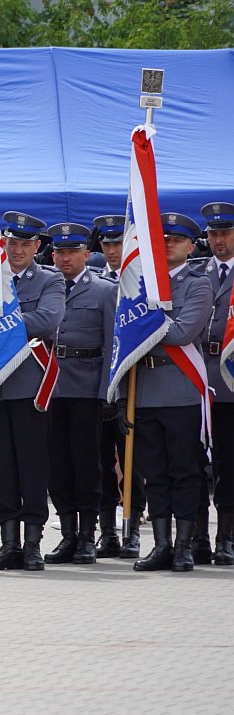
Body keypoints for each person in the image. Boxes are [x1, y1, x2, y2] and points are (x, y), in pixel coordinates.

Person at [125, 213, 214, 572]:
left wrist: (143, 317)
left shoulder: (198, 284)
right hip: (144, 389)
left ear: (191, 246)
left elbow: (181, 333)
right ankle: (161, 544)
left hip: (180, 389)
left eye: (176, 239)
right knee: (154, 472)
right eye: (162, 239)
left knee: (184, 470)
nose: (168, 244)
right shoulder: (140, 283)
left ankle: (184, 546)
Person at [0, 212, 66, 572]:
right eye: (11, 243)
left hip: (30, 384)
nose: (16, 250)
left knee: (31, 465)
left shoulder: (50, 279)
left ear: (37, 247)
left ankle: (33, 542)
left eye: (24, 244)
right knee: (2, 467)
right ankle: (10, 542)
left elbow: (47, 320)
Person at [40, 223, 116, 566]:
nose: (64, 258)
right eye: (59, 252)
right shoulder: (47, 286)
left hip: (86, 386)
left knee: (87, 464)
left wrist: (107, 394)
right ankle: (68, 534)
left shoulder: (103, 290)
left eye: (71, 252)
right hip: (51, 386)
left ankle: (88, 535)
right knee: (57, 465)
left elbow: (110, 345)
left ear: (86, 254)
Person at [92, 214, 145, 557]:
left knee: (132, 462)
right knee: (99, 462)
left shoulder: (141, 284)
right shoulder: (95, 283)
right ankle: (108, 529)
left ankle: (132, 529)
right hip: (96, 385)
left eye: (118, 243)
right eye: (108, 244)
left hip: (131, 386)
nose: (113, 250)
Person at [197, 202, 234, 565]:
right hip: (196, 379)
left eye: (224, 233)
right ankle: (197, 537)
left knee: (229, 464)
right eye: (213, 234)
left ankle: (226, 536)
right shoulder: (197, 273)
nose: (218, 240)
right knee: (195, 462)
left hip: (230, 381)